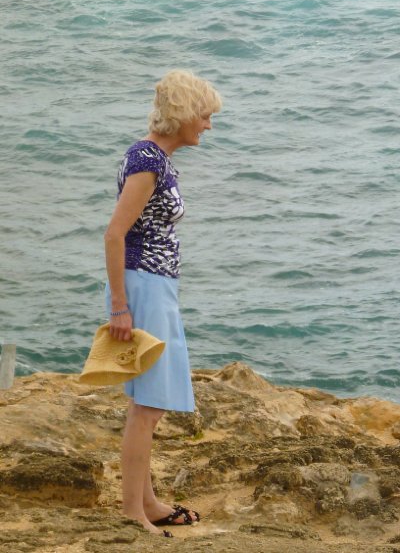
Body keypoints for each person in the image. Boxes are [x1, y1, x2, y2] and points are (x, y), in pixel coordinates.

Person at [104, 70, 222, 537]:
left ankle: (147, 500)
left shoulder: (152, 157)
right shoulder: (147, 161)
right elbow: (115, 233)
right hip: (143, 286)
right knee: (148, 405)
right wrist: (119, 306)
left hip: (154, 284)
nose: (209, 126)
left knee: (145, 400)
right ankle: (133, 512)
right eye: (205, 116)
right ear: (184, 114)